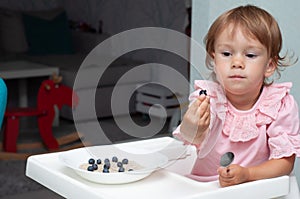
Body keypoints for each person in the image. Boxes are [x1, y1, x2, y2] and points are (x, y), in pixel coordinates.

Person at [173, 4, 300, 188]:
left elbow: (285, 163)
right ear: (214, 60)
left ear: (269, 66)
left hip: (258, 187)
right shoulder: (209, 98)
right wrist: (190, 127)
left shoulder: (279, 105)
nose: (237, 62)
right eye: (226, 54)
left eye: (250, 55)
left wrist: (248, 174)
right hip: (206, 188)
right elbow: (190, 140)